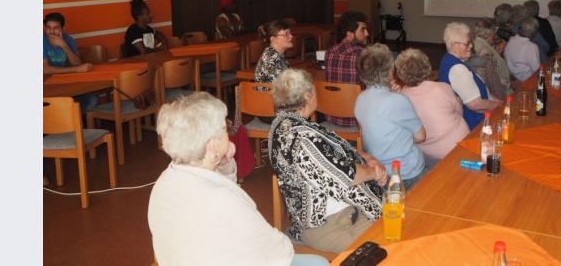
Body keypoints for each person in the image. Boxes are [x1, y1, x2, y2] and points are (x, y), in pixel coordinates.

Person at [148, 92, 328, 266]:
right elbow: (278, 253)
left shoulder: (164, 182)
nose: (228, 132)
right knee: (318, 263)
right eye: (224, 128)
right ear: (211, 145)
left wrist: (222, 163)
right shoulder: (222, 201)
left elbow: (213, 187)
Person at [269, 69, 386, 253]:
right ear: (308, 96)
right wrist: (375, 171)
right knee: (391, 239)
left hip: (333, 213)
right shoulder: (302, 140)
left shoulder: (285, 124)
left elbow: (333, 148)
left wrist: (366, 157)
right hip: (328, 224)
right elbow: (346, 177)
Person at [354, 44, 427, 190]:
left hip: (379, 172)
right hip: (406, 173)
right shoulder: (398, 101)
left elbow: (381, 127)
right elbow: (421, 137)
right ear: (390, 72)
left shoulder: (360, 99)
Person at [395, 49, 469, 167]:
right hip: (460, 146)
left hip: (433, 155)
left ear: (400, 73)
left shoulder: (400, 98)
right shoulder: (443, 88)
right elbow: (460, 112)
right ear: (427, 66)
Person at [438, 22, 501, 130]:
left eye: (470, 42)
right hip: (475, 125)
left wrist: (496, 101)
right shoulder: (458, 70)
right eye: (467, 43)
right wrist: (500, 106)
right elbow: (475, 105)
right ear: (454, 45)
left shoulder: (449, 59)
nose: (471, 46)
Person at [43, 12, 97, 115]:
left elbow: (77, 63)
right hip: (46, 88)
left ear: (63, 29)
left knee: (91, 99)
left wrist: (64, 46)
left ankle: (72, 126)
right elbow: (45, 69)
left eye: (56, 28)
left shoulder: (68, 39)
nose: (52, 32)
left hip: (65, 85)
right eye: (48, 28)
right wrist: (76, 69)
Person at [324, 11, 369, 127]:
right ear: (349, 34)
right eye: (363, 30)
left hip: (331, 115)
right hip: (357, 118)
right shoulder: (364, 55)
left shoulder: (329, 52)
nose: (367, 33)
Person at [468, 18, 510, 101]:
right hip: (500, 93)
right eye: (494, 33)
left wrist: (497, 52)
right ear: (490, 33)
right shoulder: (483, 48)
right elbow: (489, 76)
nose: (494, 36)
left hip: (498, 89)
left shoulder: (477, 42)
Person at [504, 17, 541, 83]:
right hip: (527, 81)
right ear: (534, 32)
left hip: (513, 78)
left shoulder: (511, 40)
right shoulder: (531, 47)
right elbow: (537, 70)